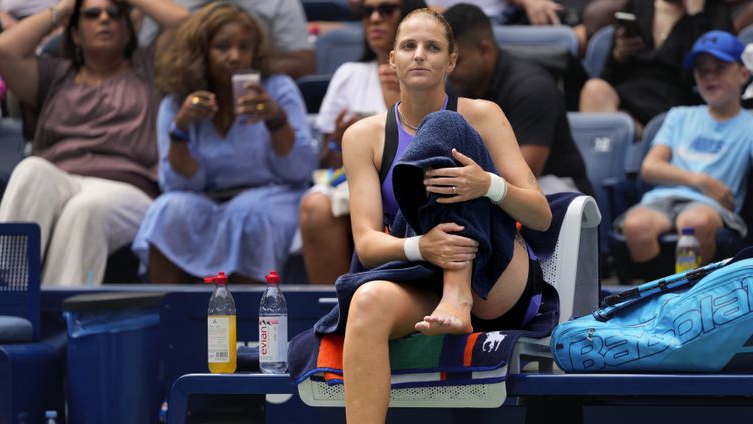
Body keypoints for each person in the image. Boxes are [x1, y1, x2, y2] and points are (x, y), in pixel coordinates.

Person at [329, 8, 551, 424]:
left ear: (451, 60)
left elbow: (539, 213)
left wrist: (486, 186)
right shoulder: (363, 136)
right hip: (425, 268)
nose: (419, 55)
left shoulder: (484, 113)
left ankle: (459, 296)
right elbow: (365, 243)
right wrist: (420, 248)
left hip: (497, 275)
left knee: (446, 125)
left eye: (432, 47)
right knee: (364, 301)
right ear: (391, 59)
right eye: (408, 46)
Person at [0, 0, 190, 286]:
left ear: (128, 28)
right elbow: (3, 49)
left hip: (127, 189)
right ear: (74, 32)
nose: (104, 19)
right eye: (92, 14)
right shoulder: (56, 75)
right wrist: (64, 8)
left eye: (115, 13)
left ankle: (60, 316)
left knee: (85, 209)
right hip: (61, 179)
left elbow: (185, 23)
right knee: (30, 169)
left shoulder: (149, 69)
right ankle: (5, 294)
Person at [132, 3, 315, 284]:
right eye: (222, 47)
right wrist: (181, 127)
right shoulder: (178, 101)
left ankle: (252, 320)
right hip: (206, 199)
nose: (235, 57)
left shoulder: (277, 89)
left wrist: (275, 118)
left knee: (248, 214)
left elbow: (299, 170)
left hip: (272, 196)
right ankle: (166, 317)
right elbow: (178, 185)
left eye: (244, 47)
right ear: (200, 52)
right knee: (166, 210)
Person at [299, 0, 427, 285]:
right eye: (367, 12)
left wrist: (402, 101)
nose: (375, 19)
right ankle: (333, 311)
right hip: (354, 178)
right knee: (316, 208)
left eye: (386, 9)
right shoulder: (349, 74)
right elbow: (326, 160)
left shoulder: (430, 72)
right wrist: (338, 141)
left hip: (415, 178)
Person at [617, 30, 752, 267]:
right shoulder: (680, 116)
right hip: (662, 199)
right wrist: (702, 181)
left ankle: (689, 295)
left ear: (743, 74)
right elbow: (650, 167)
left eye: (720, 67)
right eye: (702, 70)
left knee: (695, 222)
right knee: (635, 225)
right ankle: (657, 293)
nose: (709, 76)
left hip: (713, 208)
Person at [443, 3, 594, 197]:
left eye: (457, 60)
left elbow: (525, 175)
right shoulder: (454, 85)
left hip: (553, 186)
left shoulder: (532, 88)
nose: (449, 69)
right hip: (486, 182)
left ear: (484, 50)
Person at [579, 0, 733, 136]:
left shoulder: (715, 11)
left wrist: (696, 16)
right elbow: (608, 76)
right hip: (628, 101)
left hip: (675, 105)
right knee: (594, 89)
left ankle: (647, 141)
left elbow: (706, 74)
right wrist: (619, 55)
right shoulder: (638, 4)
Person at [137, 0, 315, 79]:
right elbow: (148, 62)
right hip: (184, 94)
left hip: (258, 96)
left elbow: (303, 64)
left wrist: (248, 65)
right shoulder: (170, 5)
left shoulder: (278, 2)